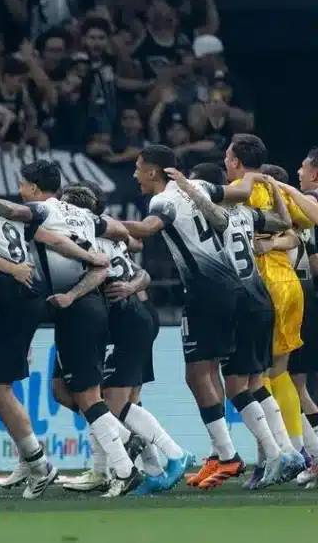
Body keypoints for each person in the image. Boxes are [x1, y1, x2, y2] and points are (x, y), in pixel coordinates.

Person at [0, 160, 144, 496]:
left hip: (76, 307)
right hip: (88, 306)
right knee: (76, 392)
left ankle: (124, 466)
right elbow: (125, 236)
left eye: (21, 185)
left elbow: (17, 215)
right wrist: (99, 252)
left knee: (87, 396)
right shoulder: (80, 214)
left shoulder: (41, 211)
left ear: (31, 188)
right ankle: (123, 449)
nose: (20, 192)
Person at [125, 145, 297, 490]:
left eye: (139, 168)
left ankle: (230, 454)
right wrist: (260, 178)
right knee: (241, 378)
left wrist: (104, 225)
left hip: (207, 292)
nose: (134, 175)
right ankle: (271, 452)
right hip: (248, 293)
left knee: (202, 373)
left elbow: (147, 228)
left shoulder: (164, 202)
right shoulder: (212, 195)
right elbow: (246, 196)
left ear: (155, 172)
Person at [59, 183, 191, 495]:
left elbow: (110, 270)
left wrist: (122, 287)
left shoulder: (89, 237)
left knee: (114, 405)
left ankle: (173, 455)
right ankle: (153, 468)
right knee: (111, 402)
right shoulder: (107, 235)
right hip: (128, 320)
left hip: (128, 322)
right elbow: (138, 267)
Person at [224, 134, 312, 485]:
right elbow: (303, 224)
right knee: (280, 373)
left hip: (265, 287)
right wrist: (278, 233)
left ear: (235, 162)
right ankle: (292, 454)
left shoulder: (238, 191)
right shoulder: (273, 188)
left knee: (259, 377)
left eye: (227, 156)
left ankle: (286, 455)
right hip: (291, 285)